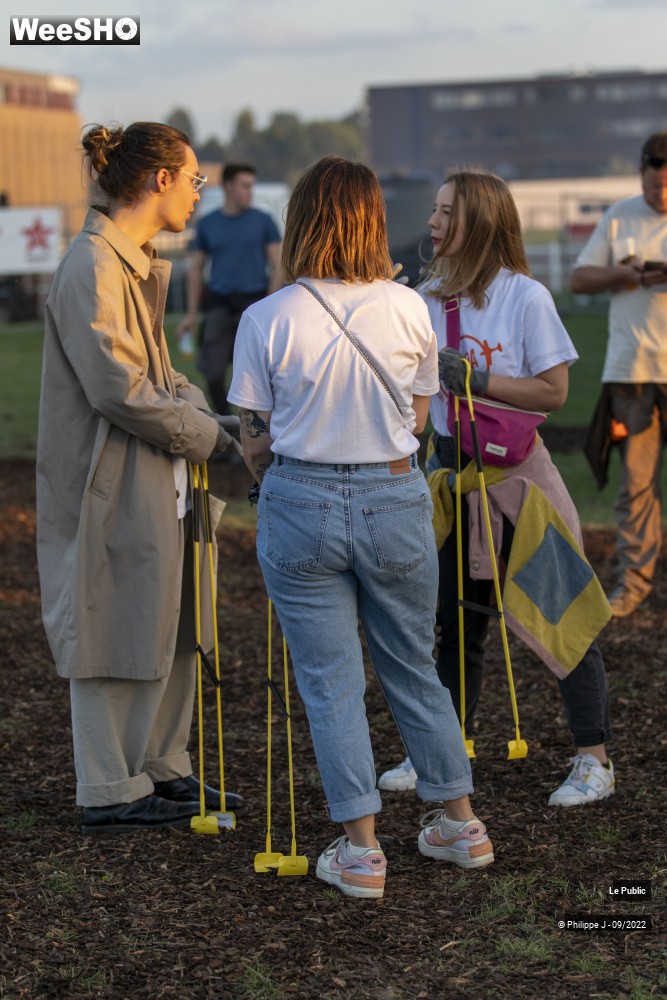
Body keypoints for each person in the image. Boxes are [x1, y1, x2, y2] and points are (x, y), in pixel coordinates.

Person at [228, 156, 495, 900]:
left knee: (330, 684)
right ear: (373, 219)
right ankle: (459, 824)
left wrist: (273, 484)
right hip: (392, 496)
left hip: (299, 500)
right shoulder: (409, 308)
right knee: (414, 665)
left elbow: (254, 436)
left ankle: (361, 850)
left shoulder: (266, 317)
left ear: (301, 220)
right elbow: (416, 415)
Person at [379, 168, 616, 808]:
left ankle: (594, 758)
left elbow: (555, 393)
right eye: (432, 210)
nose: (431, 222)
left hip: (519, 483)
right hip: (454, 481)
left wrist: (474, 380)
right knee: (456, 624)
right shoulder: (424, 298)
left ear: (478, 221)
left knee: (563, 617)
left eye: (445, 211)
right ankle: (444, 749)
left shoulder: (524, 296)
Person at [36, 121, 244, 834]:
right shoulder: (95, 266)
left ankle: (161, 768)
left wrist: (215, 422)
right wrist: (213, 437)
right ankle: (110, 787)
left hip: (152, 472)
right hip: (112, 478)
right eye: (194, 179)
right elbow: (119, 391)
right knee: (111, 623)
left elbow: (160, 378)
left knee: (168, 619)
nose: (197, 193)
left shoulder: (130, 260)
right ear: (160, 179)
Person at [570, 132, 667, 618]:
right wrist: (628, 275)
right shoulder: (621, 215)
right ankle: (633, 582)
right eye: (654, 189)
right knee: (635, 484)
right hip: (633, 372)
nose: (662, 197)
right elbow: (579, 278)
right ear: (642, 177)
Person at [177, 163, 282, 416]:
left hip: (255, 305)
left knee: (257, 380)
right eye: (245, 186)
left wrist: (268, 306)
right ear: (228, 187)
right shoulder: (208, 224)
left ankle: (258, 434)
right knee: (212, 372)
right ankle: (229, 428)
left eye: (251, 186)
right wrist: (191, 314)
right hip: (220, 306)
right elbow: (195, 269)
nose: (250, 192)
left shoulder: (263, 221)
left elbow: (278, 265)